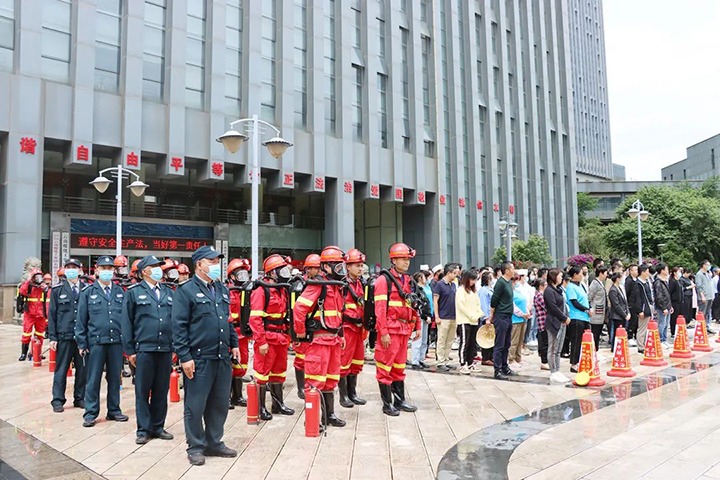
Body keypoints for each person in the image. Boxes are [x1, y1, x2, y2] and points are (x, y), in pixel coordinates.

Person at [172, 246, 240, 466]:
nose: (215, 265)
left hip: (221, 356)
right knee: (195, 404)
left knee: (219, 403)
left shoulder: (221, 289)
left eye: (217, 261)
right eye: (211, 261)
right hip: (198, 358)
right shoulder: (186, 291)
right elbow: (179, 326)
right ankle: (195, 446)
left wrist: (234, 343)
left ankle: (214, 442)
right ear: (199, 264)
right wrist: (184, 356)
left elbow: (226, 319)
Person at [121, 255, 174, 445]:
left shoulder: (169, 292)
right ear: (145, 271)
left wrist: (175, 346)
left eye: (159, 266)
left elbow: (174, 320)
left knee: (161, 390)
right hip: (144, 349)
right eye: (154, 266)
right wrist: (130, 351)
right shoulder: (134, 292)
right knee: (142, 391)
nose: (159, 269)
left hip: (165, 348)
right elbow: (126, 322)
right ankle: (143, 429)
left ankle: (158, 426)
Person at [292, 246, 347, 428]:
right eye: (338, 267)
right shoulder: (318, 285)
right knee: (315, 381)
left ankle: (328, 416)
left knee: (331, 379)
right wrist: (300, 332)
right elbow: (299, 308)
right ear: (327, 267)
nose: (342, 271)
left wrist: (341, 335)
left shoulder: (336, 287)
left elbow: (338, 315)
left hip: (333, 340)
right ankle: (313, 420)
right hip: (319, 341)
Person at [75, 256, 128, 428]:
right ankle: (90, 413)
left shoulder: (120, 291)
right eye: (103, 268)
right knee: (93, 379)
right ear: (96, 270)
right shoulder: (88, 292)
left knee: (114, 378)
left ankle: (114, 410)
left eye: (110, 268)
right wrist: (82, 343)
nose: (107, 271)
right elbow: (81, 320)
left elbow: (126, 319)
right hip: (95, 343)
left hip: (115, 342)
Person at [369, 243, 420, 415]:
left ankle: (400, 401)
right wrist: (383, 332)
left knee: (399, 366)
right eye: (403, 259)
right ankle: (387, 404)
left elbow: (413, 304)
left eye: (408, 259)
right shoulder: (384, 280)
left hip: (404, 329)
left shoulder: (407, 280)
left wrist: (417, 325)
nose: (407, 262)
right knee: (384, 367)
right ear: (394, 260)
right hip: (390, 331)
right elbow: (380, 309)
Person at [249, 254, 294, 420]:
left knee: (279, 372)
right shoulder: (262, 291)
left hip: (281, 338)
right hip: (267, 339)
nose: (284, 272)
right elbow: (255, 319)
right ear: (272, 272)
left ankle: (278, 404)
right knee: (262, 374)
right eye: (281, 269)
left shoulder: (282, 290)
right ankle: (260, 407)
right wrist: (261, 341)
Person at [49, 259, 88, 413]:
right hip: (64, 336)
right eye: (68, 268)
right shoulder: (57, 290)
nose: (71, 270)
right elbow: (52, 315)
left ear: (80, 270)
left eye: (74, 268)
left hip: (82, 338)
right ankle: (58, 400)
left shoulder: (86, 289)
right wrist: (52, 337)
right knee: (61, 369)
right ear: (64, 270)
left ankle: (80, 398)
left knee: (83, 369)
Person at [338, 249, 368, 408]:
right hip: (347, 327)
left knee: (356, 361)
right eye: (357, 265)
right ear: (348, 267)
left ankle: (352, 393)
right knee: (344, 362)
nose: (360, 268)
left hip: (359, 329)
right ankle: (343, 396)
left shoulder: (361, 283)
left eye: (362, 265)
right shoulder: (343, 284)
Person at [293, 253, 321, 400]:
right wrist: (299, 331)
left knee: (311, 360)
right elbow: (297, 309)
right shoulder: (300, 285)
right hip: (302, 329)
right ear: (307, 269)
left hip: (314, 328)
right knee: (300, 359)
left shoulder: (319, 283)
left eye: (318, 268)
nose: (317, 271)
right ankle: (300, 388)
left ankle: (309, 387)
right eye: (314, 268)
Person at [226, 258, 251, 409]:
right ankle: (226, 397)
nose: (243, 277)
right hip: (231, 332)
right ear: (232, 276)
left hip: (243, 334)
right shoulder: (227, 291)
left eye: (245, 274)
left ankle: (238, 395)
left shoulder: (246, 292)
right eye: (240, 274)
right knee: (228, 364)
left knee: (242, 365)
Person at [489, 262, 516, 380]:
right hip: (501, 316)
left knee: (507, 343)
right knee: (499, 344)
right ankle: (497, 369)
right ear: (506, 270)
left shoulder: (509, 282)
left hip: (508, 316)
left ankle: (505, 366)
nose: (514, 271)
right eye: (512, 269)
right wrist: (491, 315)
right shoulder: (500, 283)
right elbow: (494, 299)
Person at [543, 270, 570, 383]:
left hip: (561, 322)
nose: (561, 278)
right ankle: (553, 371)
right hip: (554, 323)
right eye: (560, 276)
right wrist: (563, 317)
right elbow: (553, 308)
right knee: (553, 348)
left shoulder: (557, 290)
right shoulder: (548, 291)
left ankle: (557, 370)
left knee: (558, 349)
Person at [18, 267, 49, 361]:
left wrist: (46, 288)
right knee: (26, 334)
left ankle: (37, 353)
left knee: (39, 334)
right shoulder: (28, 286)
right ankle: (23, 353)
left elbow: (49, 298)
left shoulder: (43, 287)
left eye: (39, 276)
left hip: (40, 315)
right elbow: (22, 291)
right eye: (36, 277)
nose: (38, 279)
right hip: (30, 314)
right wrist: (28, 281)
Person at [455, 269, 483, 374]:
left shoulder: (473, 291)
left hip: (474, 320)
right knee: (464, 343)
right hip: (464, 320)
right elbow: (461, 305)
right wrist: (471, 315)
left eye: (475, 280)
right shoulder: (461, 290)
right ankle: (463, 364)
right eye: (472, 279)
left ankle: (470, 363)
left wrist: (479, 313)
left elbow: (477, 304)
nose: (473, 282)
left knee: (472, 343)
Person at [433, 263, 460, 371]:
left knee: (450, 340)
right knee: (442, 340)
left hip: (453, 316)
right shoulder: (439, 285)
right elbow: (435, 301)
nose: (455, 276)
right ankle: (440, 362)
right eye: (454, 273)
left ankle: (446, 360)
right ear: (448, 273)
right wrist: (437, 316)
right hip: (443, 317)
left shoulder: (453, 285)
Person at [566, 266, 591, 372]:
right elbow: (574, 302)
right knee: (576, 341)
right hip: (576, 317)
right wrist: (586, 309)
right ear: (575, 275)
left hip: (584, 317)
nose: (582, 275)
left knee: (583, 340)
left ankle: (581, 360)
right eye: (581, 273)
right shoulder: (571, 287)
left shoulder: (580, 286)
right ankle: (574, 363)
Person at [410, 271, 433, 370]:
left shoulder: (426, 288)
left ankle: (421, 359)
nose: (426, 279)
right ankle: (415, 361)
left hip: (427, 316)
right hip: (420, 317)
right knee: (417, 340)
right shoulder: (416, 290)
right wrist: (424, 316)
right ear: (419, 278)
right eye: (424, 277)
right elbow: (418, 306)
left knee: (424, 340)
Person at [509, 276, 531, 369]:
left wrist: (527, 312)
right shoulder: (510, 293)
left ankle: (518, 357)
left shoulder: (518, 291)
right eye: (514, 280)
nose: (516, 282)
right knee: (514, 340)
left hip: (523, 319)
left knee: (520, 340)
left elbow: (524, 303)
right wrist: (522, 314)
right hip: (515, 319)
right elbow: (513, 307)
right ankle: (511, 358)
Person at [632, 265, 654, 353]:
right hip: (643, 308)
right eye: (647, 271)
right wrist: (640, 310)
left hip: (648, 307)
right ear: (643, 272)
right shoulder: (638, 284)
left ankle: (644, 344)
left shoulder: (646, 282)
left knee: (646, 328)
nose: (648, 273)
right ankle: (640, 346)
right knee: (642, 328)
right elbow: (637, 299)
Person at [608, 272, 630, 351]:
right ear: (617, 279)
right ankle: (615, 347)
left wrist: (627, 312)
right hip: (617, 315)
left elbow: (624, 301)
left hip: (623, 314)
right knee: (617, 332)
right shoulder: (613, 290)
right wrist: (624, 315)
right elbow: (616, 305)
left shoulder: (619, 288)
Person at [588, 266, 608, 352]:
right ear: (601, 273)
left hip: (600, 312)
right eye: (606, 272)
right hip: (596, 312)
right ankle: (594, 351)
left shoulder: (601, 282)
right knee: (595, 333)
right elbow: (589, 296)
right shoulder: (595, 283)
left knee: (598, 333)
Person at [477, 271, 495, 366]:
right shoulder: (483, 291)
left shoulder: (490, 289)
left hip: (493, 316)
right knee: (486, 338)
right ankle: (486, 357)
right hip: (487, 317)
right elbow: (484, 305)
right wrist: (487, 318)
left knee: (492, 337)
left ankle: (491, 356)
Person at [653, 263, 672, 347]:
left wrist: (670, 306)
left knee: (666, 324)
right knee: (662, 323)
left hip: (667, 306)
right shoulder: (658, 282)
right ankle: (660, 340)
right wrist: (663, 307)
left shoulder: (665, 281)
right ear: (662, 271)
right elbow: (659, 296)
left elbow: (667, 295)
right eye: (666, 269)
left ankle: (664, 339)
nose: (668, 271)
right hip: (662, 307)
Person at [533, 279, 549, 370]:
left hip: (545, 321)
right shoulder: (539, 296)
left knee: (546, 341)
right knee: (544, 343)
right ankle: (544, 361)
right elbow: (547, 307)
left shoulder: (542, 295)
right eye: (545, 284)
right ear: (541, 286)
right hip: (543, 322)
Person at [625, 264, 639, 345]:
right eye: (635, 270)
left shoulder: (636, 280)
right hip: (631, 304)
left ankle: (635, 336)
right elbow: (627, 292)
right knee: (632, 321)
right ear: (630, 271)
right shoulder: (629, 280)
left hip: (636, 304)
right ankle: (630, 336)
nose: (637, 271)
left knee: (636, 321)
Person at [669, 267, 683, 337]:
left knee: (678, 316)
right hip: (674, 301)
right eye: (678, 272)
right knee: (673, 317)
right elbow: (670, 292)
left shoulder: (678, 280)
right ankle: (673, 331)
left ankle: (677, 330)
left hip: (679, 301)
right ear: (674, 273)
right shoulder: (672, 281)